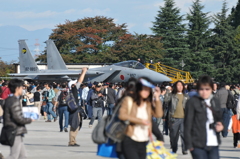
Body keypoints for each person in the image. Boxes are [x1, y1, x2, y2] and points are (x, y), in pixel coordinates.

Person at [118, 78, 163, 159]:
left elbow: (158, 114)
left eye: (148, 90)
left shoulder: (148, 104)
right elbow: (122, 115)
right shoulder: (129, 100)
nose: (146, 92)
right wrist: (140, 121)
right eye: (144, 89)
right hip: (129, 139)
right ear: (138, 89)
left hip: (143, 141)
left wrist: (157, 97)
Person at [184, 75, 224, 159]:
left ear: (211, 89)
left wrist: (221, 124)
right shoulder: (192, 102)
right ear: (198, 89)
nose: (204, 92)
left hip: (213, 142)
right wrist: (189, 145)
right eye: (201, 89)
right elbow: (187, 124)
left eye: (207, 89)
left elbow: (219, 118)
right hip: (198, 144)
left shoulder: (215, 101)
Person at [2, 79, 34, 159]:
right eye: (21, 87)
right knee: (13, 155)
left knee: (22, 156)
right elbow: (18, 118)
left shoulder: (9, 100)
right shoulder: (14, 101)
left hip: (15, 130)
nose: (23, 89)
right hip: (14, 130)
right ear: (17, 88)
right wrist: (30, 119)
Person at [167, 81, 189, 154]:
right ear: (175, 87)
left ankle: (184, 149)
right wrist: (168, 91)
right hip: (174, 118)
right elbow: (165, 101)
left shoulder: (186, 96)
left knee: (184, 135)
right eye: (178, 85)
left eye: (181, 85)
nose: (180, 87)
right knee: (173, 135)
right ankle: (174, 148)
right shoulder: (172, 95)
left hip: (184, 118)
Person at [68, 67, 87, 147]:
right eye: (75, 83)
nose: (77, 84)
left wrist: (81, 74)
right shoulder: (74, 90)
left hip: (75, 110)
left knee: (76, 125)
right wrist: (84, 72)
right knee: (74, 125)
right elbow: (80, 81)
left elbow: (79, 81)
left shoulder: (72, 90)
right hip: (75, 111)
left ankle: (73, 140)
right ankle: (72, 142)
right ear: (73, 85)